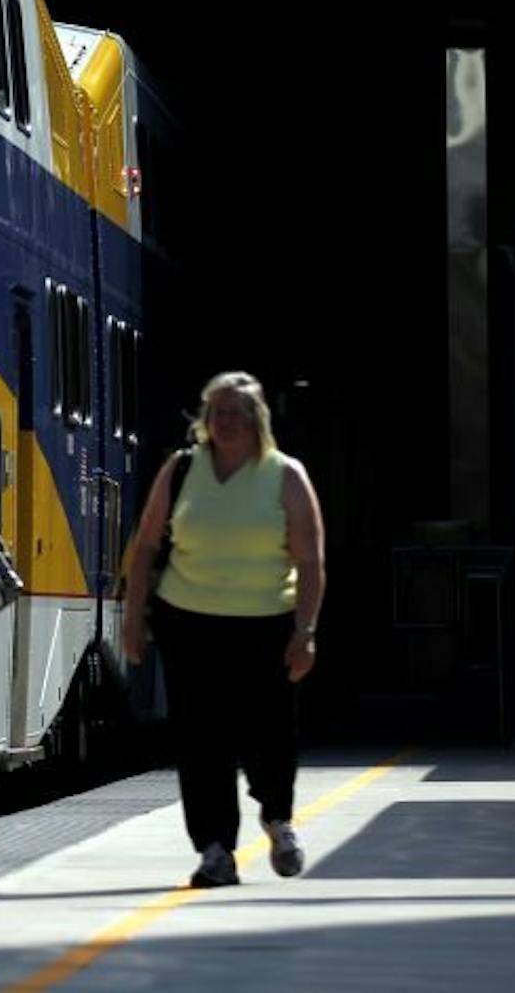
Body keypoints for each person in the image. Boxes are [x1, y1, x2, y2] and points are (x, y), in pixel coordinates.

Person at [122, 371, 327, 888]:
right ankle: (215, 850)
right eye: (218, 413)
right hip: (188, 620)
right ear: (206, 421)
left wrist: (305, 630)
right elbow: (146, 546)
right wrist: (132, 615)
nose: (227, 422)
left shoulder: (285, 475)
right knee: (200, 738)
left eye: (237, 412)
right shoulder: (181, 468)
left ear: (257, 419)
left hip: (267, 624)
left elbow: (310, 560)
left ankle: (277, 819)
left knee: (271, 733)